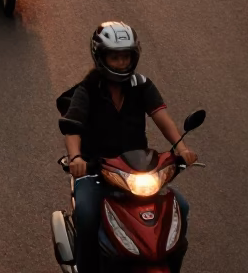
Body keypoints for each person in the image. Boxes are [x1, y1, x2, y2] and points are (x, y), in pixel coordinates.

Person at [57, 23, 197, 273]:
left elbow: (162, 117)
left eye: (126, 56)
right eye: (115, 56)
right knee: (88, 215)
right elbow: (73, 127)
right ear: (101, 57)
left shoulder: (141, 85)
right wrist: (76, 158)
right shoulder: (87, 90)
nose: (121, 63)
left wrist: (182, 148)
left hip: (137, 170)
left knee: (181, 207)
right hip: (95, 170)